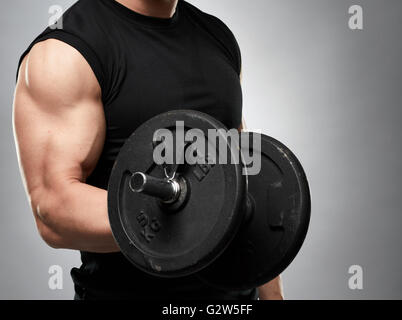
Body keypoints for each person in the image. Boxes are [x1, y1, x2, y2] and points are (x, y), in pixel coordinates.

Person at [13, 0, 283, 300]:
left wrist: (273, 296)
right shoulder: (64, 53)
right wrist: (190, 213)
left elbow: (242, 176)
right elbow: (53, 209)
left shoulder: (217, 37)